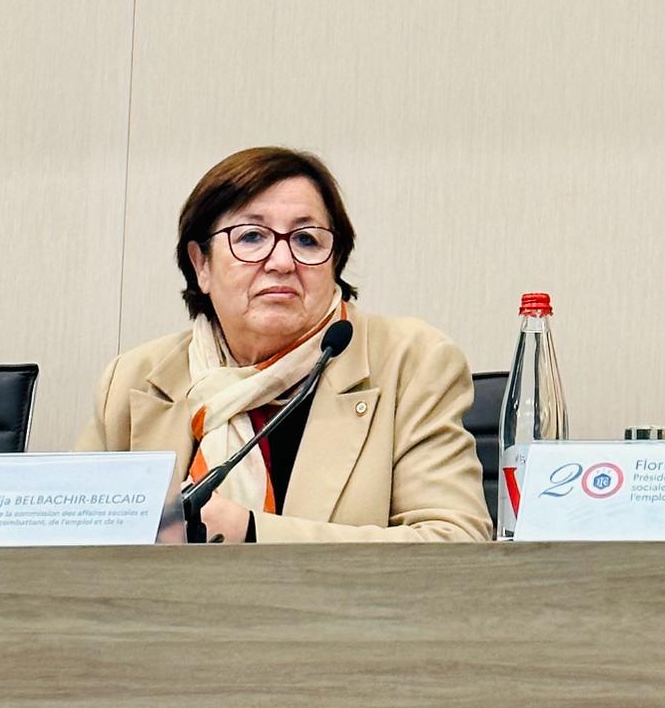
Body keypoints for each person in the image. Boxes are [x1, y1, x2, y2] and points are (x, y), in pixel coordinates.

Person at [78, 146, 492, 543]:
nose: (281, 262)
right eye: (252, 237)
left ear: (335, 261)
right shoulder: (133, 380)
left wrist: (252, 532)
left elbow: (453, 540)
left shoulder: (412, 362)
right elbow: (67, 542)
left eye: (306, 240)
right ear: (201, 264)